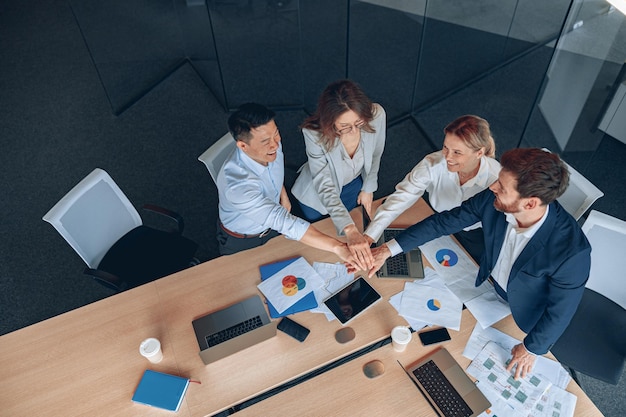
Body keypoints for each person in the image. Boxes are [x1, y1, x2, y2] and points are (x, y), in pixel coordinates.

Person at [364, 148, 591, 379]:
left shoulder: (573, 252)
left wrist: (530, 349)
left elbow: (560, 311)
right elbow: (444, 223)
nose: (493, 187)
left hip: (524, 315)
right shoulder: (494, 198)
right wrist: (387, 249)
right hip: (488, 287)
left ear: (530, 204)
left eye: (502, 187)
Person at [216, 103, 366, 270]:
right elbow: (285, 223)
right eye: (266, 141)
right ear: (243, 146)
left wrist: (283, 195)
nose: (275, 144)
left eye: (276, 134)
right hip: (243, 239)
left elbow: (272, 174)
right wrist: (339, 248)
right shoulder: (237, 188)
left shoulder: (271, 147)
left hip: (276, 221)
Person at [361, 115, 500, 262]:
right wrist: (369, 236)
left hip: (475, 235)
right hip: (436, 223)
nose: (447, 157)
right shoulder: (433, 163)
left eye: (457, 152)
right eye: (446, 148)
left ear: (479, 153)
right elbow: (402, 197)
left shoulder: (496, 180)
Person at [291, 79, 386, 268]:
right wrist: (349, 229)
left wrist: (368, 187)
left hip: (353, 184)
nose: (353, 131)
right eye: (345, 127)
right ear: (329, 120)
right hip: (318, 196)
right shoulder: (314, 133)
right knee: (322, 238)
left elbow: (376, 153)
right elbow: (324, 185)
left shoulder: (376, 114)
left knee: (351, 224)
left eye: (359, 123)